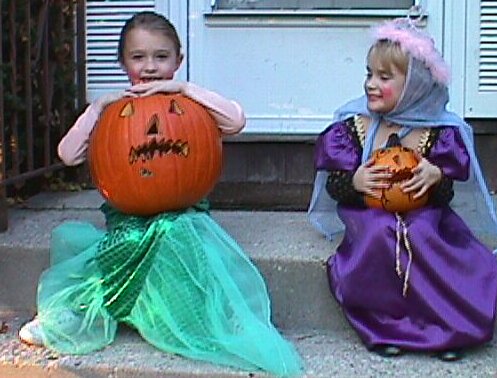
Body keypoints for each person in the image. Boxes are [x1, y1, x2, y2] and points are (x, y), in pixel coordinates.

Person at [19, 11, 303, 377]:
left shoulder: (188, 102)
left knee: (174, 234)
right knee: (126, 244)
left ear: (178, 60)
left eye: (161, 57)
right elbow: (67, 154)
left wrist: (183, 91)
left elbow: (235, 121)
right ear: (123, 62)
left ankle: (205, 316)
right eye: (138, 57)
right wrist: (98, 108)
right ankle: (76, 317)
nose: (150, 67)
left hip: (183, 212)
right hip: (130, 215)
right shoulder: (112, 110)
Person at [308, 16, 497, 362]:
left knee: (426, 236)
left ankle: (449, 327)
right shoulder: (355, 126)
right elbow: (336, 185)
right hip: (368, 212)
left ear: (414, 85)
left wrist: (435, 176)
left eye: (384, 78)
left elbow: (445, 191)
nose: (371, 84)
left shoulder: (437, 132)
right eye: (369, 74)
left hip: (424, 213)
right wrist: (354, 181)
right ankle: (383, 325)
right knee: (378, 235)